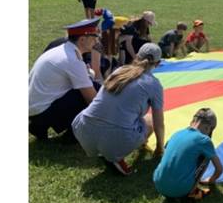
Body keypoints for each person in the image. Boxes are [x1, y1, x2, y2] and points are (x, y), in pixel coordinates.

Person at [71, 43, 166, 176]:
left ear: (137, 56)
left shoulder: (119, 70)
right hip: (115, 137)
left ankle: (104, 147)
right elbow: (158, 123)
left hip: (82, 129)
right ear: (158, 63)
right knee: (148, 120)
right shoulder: (154, 84)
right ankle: (115, 154)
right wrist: (160, 148)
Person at [28, 18, 101, 141]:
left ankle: (38, 126)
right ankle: (73, 135)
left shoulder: (63, 50)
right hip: (41, 111)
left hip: (34, 109)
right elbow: (92, 99)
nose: (96, 41)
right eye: (94, 38)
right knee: (91, 92)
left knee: (86, 86)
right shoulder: (72, 59)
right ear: (82, 40)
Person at [153, 108, 223, 201]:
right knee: (207, 155)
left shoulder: (177, 133)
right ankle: (192, 192)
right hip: (180, 190)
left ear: (192, 121)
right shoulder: (204, 140)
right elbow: (219, 169)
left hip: (159, 185)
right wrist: (211, 180)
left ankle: (173, 183)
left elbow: (166, 153)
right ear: (208, 128)